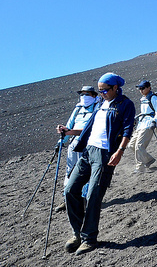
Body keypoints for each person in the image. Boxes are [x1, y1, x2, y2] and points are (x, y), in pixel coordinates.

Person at [58, 72, 135, 256]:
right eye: (100, 91)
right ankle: (77, 233)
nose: (101, 94)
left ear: (116, 88)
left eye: (105, 90)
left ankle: (89, 238)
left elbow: (127, 130)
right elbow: (89, 128)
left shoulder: (126, 104)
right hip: (88, 152)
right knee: (70, 190)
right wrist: (69, 132)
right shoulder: (100, 104)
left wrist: (120, 151)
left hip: (105, 155)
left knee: (93, 195)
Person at [54, 86, 101, 212]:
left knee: (85, 172)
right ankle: (67, 199)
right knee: (70, 171)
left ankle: (84, 199)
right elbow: (69, 125)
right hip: (74, 143)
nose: (84, 97)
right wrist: (61, 141)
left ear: (94, 95)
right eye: (82, 94)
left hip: (88, 144)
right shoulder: (78, 108)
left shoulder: (98, 107)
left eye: (87, 94)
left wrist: (70, 132)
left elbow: (92, 128)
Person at [129, 80, 157, 173]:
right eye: (139, 88)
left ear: (149, 88)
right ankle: (148, 160)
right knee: (131, 145)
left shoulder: (154, 98)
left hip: (148, 124)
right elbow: (145, 112)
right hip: (141, 124)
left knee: (139, 146)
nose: (141, 90)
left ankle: (140, 168)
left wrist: (154, 121)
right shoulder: (143, 99)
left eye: (143, 88)